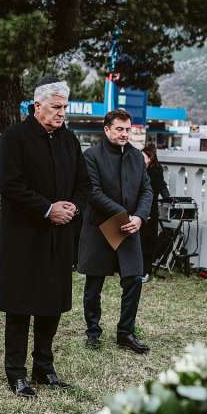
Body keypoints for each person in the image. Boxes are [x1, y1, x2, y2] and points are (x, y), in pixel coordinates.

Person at [0, 78, 89, 398]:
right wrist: (48, 209)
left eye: (65, 108)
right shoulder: (15, 137)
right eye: (56, 107)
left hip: (58, 238)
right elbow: (10, 184)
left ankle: (44, 367)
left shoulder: (69, 140)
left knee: (51, 304)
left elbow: (83, 183)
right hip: (24, 235)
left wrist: (72, 207)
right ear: (38, 106)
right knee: (20, 305)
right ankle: (16, 373)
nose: (62, 113)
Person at [79, 110, 152, 354]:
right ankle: (93, 332)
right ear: (107, 129)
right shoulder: (91, 156)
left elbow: (146, 191)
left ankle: (125, 333)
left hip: (130, 226)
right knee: (94, 284)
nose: (124, 134)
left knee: (134, 280)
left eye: (127, 129)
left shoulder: (136, 157)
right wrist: (123, 214)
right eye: (119, 129)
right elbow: (94, 193)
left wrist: (139, 217)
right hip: (101, 226)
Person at [140, 143, 170, 282]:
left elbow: (162, 186)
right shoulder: (140, 169)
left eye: (143, 157)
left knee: (147, 241)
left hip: (150, 210)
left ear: (150, 158)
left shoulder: (155, 171)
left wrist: (168, 199)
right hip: (139, 209)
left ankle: (146, 271)